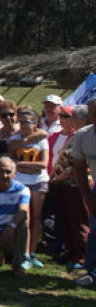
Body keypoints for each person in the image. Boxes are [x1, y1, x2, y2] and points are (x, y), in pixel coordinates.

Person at [8, 106, 49, 269]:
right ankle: (23, 253)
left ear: (35, 123)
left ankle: (33, 252)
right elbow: (11, 163)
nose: (24, 125)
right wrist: (26, 166)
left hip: (39, 181)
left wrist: (21, 164)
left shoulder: (41, 140)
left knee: (37, 218)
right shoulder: (13, 139)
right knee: (24, 217)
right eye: (22, 122)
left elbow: (42, 165)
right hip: (21, 182)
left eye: (28, 122)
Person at [49, 105, 87, 270]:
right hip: (65, 185)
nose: (68, 120)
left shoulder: (83, 136)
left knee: (78, 221)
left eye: (71, 117)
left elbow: (74, 164)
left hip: (74, 185)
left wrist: (58, 179)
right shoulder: (77, 135)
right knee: (68, 220)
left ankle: (81, 257)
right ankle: (72, 253)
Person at [70, 99, 96, 286]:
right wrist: (87, 196)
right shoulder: (82, 136)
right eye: (93, 113)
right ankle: (93, 273)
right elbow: (78, 167)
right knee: (94, 230)